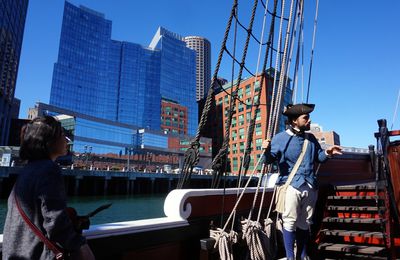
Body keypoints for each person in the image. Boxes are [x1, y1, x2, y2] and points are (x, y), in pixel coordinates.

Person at [2, 116, 95, 260]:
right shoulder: (49, 169)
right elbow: (56, 223)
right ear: (49, 141)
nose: (66, 140)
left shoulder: (27, 171)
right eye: (63, 135)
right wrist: (81, 247)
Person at [262, 104, 342, 260]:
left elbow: (318, 156)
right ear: (294, 121)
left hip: (310, 186)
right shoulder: (279, 139)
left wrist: (328, 152)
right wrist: (266, 149)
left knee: (305, 223)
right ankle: (291, 257)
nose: (309, 120)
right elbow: (269, 160)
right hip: (291, 185)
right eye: (305, 118)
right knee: (289, 222)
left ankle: (302, 254)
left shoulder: (310, 138)